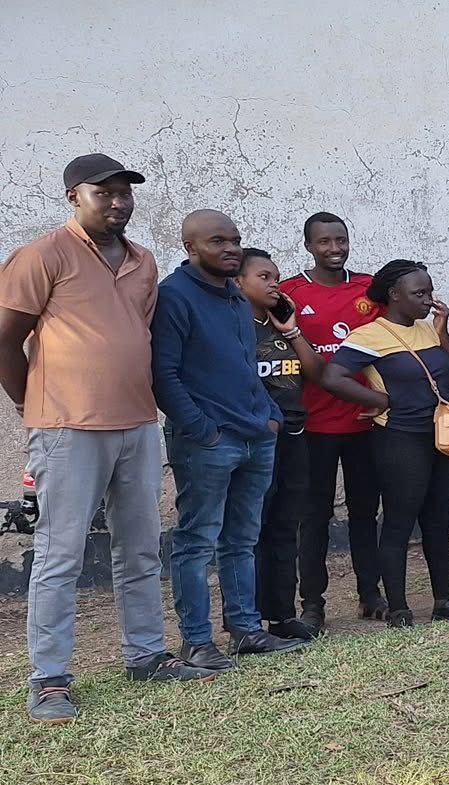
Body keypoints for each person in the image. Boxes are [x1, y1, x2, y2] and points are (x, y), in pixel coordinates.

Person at [3, 155, 218, 722]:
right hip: (67, 426)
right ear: (74, 196)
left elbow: (135, 335)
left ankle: (145, 655)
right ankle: (50, 679)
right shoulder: (43, 255)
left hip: (137, 422)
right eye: (105, 193)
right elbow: (5, 338)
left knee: (141, 547)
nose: (119, 202)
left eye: (126, 193)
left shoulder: (144, 261)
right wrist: (29, 402)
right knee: (60, 553)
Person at [153, 209, 306, 670]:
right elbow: (163, 374)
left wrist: (270, 416)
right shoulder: (173, 297)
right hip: (207, 442)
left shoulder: (237, 298)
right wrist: (203, 429)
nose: (231, 248)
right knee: (197, 540)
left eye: (235, 240)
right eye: (217, 241)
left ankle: (246, 630)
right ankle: (197, 642)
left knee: (242, 539)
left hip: (256, 435)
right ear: (190, 247)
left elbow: (246, 366)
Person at [322, 261, 449, 627]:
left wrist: (442, 331)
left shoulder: (428, 328)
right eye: (419, 293)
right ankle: (398, 608)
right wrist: (380, 401)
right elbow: (332, 376)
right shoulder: (369, 335)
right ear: (394, 295)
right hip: (399, 438)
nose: (428, 300)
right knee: (399, 521)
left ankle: (444, 600)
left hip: (440, 435)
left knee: (437, 520)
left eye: (429, 292)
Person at [281, 212, 385, 628]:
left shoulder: (369, 289)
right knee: (314, 517)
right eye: (324, 241)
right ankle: (313, 603)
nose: (335, 248)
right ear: (309, 246)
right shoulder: (290, 293)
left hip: (365, 422)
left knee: (365, 512)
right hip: (313, 425)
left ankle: (370, 594)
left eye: (341, 240)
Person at [239, 248, 325, 642]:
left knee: (286, 525)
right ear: (238, 282)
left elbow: (316, 372)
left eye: (276, 277)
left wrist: (291, 330)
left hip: (294, 435)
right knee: (252, 529)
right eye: (264, 277)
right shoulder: (236, 327)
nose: (275, 284)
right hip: (257, 437)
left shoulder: (281, 324)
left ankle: (282, 614)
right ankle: (246, 619)